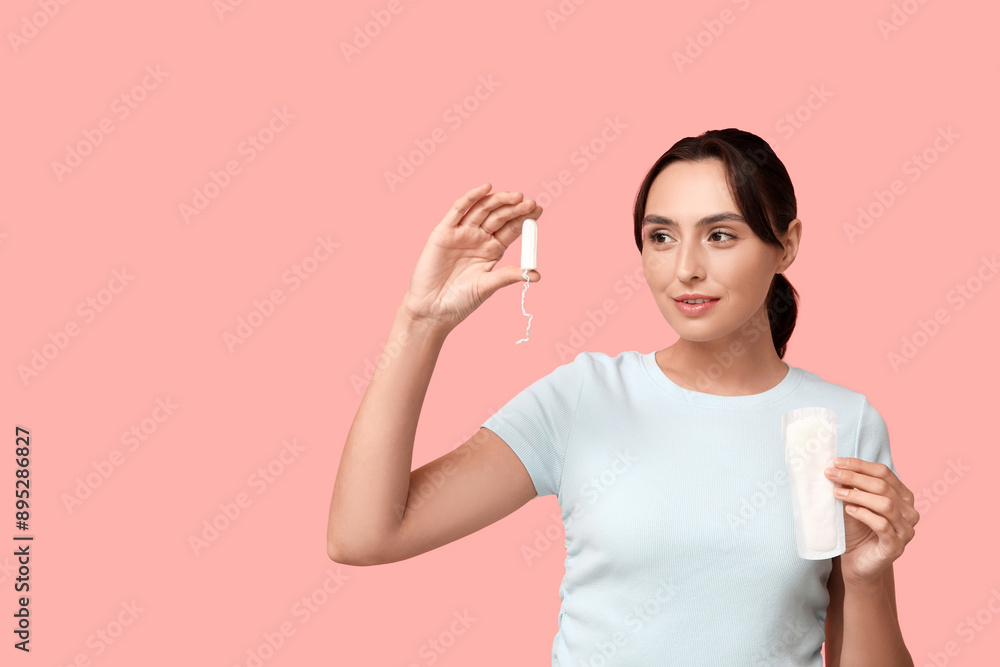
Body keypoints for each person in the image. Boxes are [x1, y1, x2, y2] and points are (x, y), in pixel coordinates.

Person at [327, 128, 919, 665]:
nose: (685, 268)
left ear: (785, 245)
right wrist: (420, 321)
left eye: (719, 235)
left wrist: (867, 580)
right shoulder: (586, 398)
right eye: (661, 237)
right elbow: (363, 535)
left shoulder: (840, 423)